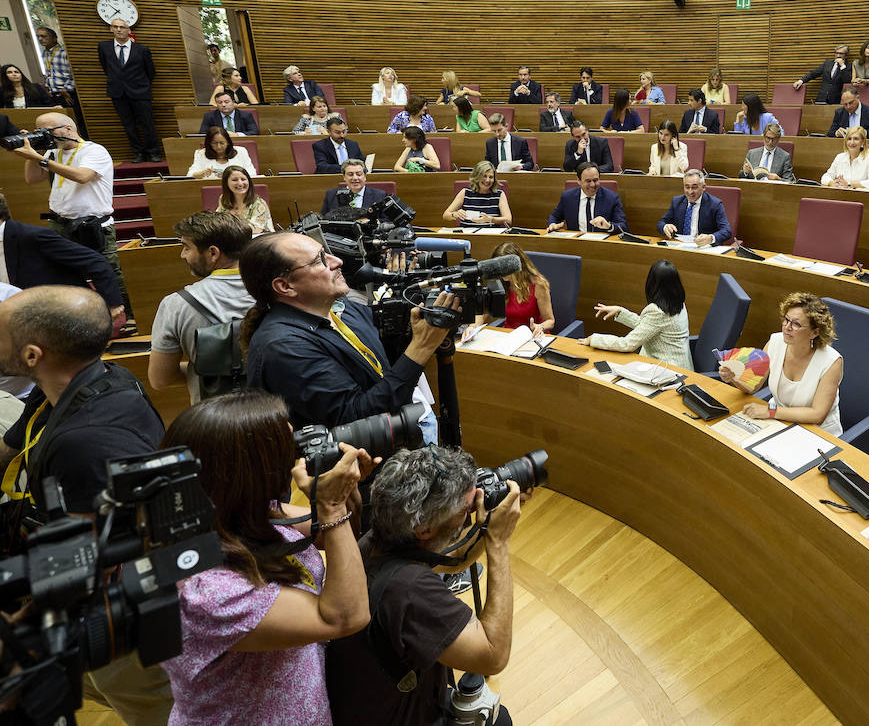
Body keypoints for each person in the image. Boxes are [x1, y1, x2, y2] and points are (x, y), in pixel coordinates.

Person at [0, 286, 169, 723]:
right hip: (93, 608)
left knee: (155, 712)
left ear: (34, 354)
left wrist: (22, 633)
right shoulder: (77, 382)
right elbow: (10, 447)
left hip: (118, 623)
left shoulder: (86, 441)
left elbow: (82, 561)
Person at [159, 390, 371, 726]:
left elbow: (325, 532)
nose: (293, 441)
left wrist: (339, 493)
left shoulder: (241, 511)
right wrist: (332, 506)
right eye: (281, 444)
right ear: (247, 470)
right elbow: (346, 617)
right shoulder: (205, 591)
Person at [325, 446, 525, 726]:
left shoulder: (374, 541)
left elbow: (452, 558)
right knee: (500, 721)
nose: (469, 515)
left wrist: (488, 523)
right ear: (425, 530)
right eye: (465, 510)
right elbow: (493, 656)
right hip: (402, 717)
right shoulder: (410, 590)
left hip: (367, 705)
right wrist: (499, 542)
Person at [241, 231, 456, 433]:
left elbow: (383, 366)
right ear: (285, 286)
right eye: (320, 260)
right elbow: (356, 419)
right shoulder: (283, 347)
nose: (337, 261)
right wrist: (422, 347)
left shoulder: (340, 307)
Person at [14, 112, 131, 315]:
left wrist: (40, 159)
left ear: (68, 129)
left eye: (46, 131)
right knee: (65, 270)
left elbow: (82, 176)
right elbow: (31, 179)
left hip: (93, 225)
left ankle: (127, 313)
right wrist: (32, 153)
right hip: (60, 223)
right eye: (38, 131)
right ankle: (86, 312)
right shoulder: (52, 153)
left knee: (107, 270)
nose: (44, 135)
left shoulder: (94, 151)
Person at [148, 211, 256, 402]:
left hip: (212, 420)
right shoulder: (276, 290)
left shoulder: (175, 305)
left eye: (187, 248)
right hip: (275, 414)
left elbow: (159, 379)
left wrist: (206, 371)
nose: (182, 255)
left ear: (213, 253)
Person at [721, 292, 843, 435]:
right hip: (780, 422)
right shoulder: (775, 342)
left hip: (817, 433)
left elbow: (817, 415)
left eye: (796, 324)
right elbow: (753, 386)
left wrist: (770, 411)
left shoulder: (831, 362)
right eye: (786, 319)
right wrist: (734, 377)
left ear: (814, 332)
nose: (787, 327)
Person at [0, 192, 123, 319]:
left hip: (61, 313)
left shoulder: (31, 236)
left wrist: (112, 303)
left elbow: (95, 261)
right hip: (16, 316)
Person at [584, 259, 692, 369]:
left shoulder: (657, 311)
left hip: (668, 372)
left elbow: (627, 344)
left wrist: (594, 339)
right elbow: (647, 326)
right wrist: (620, 311)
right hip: (681, 365)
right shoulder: (677, 302)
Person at [97, 17, 159, 161]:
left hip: (140, 91)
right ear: (111, 29)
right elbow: (106, 68)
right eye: (115, 27)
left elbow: (151, 72)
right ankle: (138, 152)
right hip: (118, 93)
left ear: (129, 30)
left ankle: (153, 152)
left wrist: (139, 84)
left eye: (122, 27)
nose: (119, 30)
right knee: (128, 125)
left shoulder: (142, 49)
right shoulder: (104, 47)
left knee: (147, 123)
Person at [490, 241, 554, 331]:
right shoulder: (500, 283)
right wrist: (472, 327)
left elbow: (550, 321)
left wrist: (540, 327)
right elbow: (483, 312)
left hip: (532, 336)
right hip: (509, 335)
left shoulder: (538, 285)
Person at [658, 169, 732, 245]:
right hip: (680, 246)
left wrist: (710, 238)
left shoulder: (715, 204)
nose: (690, 192)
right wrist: (665, 227)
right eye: (687, 187)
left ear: (703, 187)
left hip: (703, 248)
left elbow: (726, 231)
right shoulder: (677, 202)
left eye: (694, 187)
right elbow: (661, 223)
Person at [548, 162, 627, 232]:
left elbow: (623, 226)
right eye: (588, 181)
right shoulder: (568, 197)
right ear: (579, 181)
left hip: (601, 245)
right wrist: (553, 224)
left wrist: (609, 226)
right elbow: (555, 216)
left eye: (595, 180)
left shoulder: (612, 198)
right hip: (576, 243)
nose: (592, 185)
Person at [443, 160, 512, 227]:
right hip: (468, 235)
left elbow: (508, 220)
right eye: (484, 176)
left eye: (490, 177)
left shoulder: (499, 194)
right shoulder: (465, 193)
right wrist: (455, 214)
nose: (487, 180)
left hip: (490, 235)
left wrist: (491, 219)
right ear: (477, 177)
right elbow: (446, 215)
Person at [35, 26, 81, 125]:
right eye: (38, 36)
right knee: (61, 123)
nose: (40, 39)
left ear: (54, 38)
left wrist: (66, 89)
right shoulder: (44, 53)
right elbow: (49, 73)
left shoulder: (64, 52)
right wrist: (47, 87)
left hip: (68, 94)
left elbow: (75, 73)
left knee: (76, 121)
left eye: (43, 36)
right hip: (55, 95)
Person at [216, 165, 271, 234]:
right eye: (235, 180)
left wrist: (226, 228)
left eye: (243, 179)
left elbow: (256, 229)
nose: (240, 183)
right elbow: (217, 222)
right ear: (226, 183)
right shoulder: (223, 199)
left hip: (259, 241)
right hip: (234, 239)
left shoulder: (259, 203)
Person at [189, 126, 256, 179]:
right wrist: (202, 174)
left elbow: (252, 173)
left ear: (228, 142)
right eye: (214, 143)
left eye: (222, 143)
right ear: (209, 144)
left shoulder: (241, 151)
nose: (219, 146)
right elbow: (190, 175)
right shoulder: (201, 154)